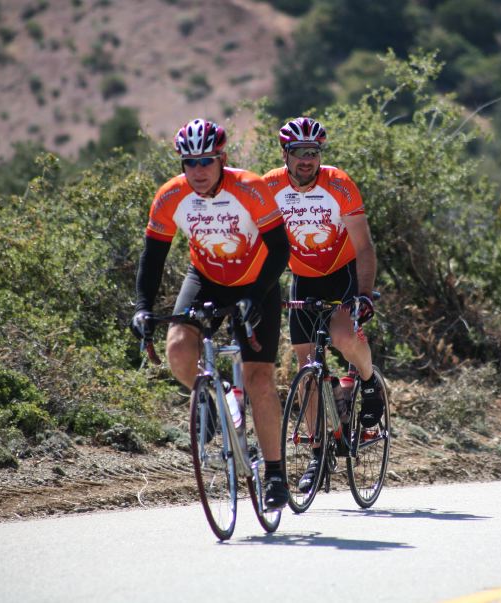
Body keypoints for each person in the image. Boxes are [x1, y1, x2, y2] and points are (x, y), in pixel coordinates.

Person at [130, 118, 292, 510]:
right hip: (206, 277)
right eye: (190, 163)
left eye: (206, 161)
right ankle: (216, 403)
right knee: (179, 349)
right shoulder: (170, 197)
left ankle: (275, 475)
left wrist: (255, 296)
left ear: (222, 158)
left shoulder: (250, 188)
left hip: (257, 283)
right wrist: (142, 309)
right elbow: (152, 260)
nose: (198, 171)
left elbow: (281, 250)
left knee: (259, 379)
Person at [263, 117, 382, 492]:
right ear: (285, 154)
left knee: (345, 337)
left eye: (313, 153)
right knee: (306, 364)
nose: (306, 160)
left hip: (341, 272)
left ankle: (368, 381)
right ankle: (318, 453)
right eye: (299, 153)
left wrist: (363, 294)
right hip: (302, 275)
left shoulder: (339, 184)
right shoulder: (268, 187)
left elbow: (363, 246)